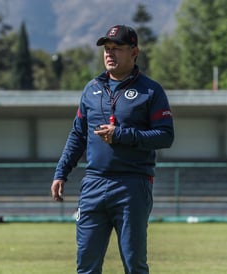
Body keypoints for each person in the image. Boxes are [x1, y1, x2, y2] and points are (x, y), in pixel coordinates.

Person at [51, 24, 174, 274]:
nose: (110, 54)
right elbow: (78, 135)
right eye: (107, 49)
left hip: (132, 184)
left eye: (117, 48)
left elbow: (165, 136)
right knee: (86, 263)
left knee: (134, 263)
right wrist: (61, 172)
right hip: (94, 183)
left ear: (134, 51)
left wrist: (121, 135)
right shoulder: (91, 89)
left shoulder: (151, 90)